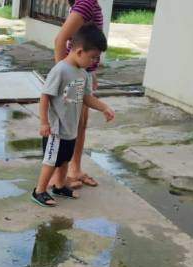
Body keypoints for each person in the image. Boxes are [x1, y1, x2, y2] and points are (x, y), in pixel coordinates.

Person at [32, 24, 114, 207]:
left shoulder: (83, 74)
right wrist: (44, 123)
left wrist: (104, 107)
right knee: (51, 161)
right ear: (78, 51)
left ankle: (60, 187)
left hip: (70, 128)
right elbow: (45, 96)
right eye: (92, 57)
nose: (94, 62)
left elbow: (86, 98)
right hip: (56, 129)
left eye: (97, 58)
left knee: (64, 161)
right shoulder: (60, 70)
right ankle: (39, 191)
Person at [51, 0, 104, 190]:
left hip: (82, 72)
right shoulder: (86, 2)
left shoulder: (88, 2)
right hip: (74, 75)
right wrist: (63, 75)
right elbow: (60, 40)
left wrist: (91, 70)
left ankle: (73, 169)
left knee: (79, 124)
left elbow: (84, 42)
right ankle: (59, 175)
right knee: (69, 124)